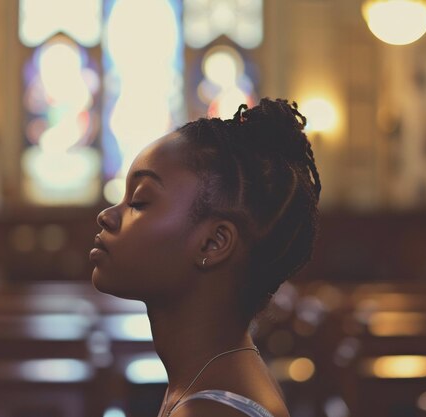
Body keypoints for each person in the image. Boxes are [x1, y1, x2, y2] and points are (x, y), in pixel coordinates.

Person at [89, 98, 321, 417]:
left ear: (213, 243)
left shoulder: (209, 409)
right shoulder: (209, 380)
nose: (107, 216)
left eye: (139, 201)